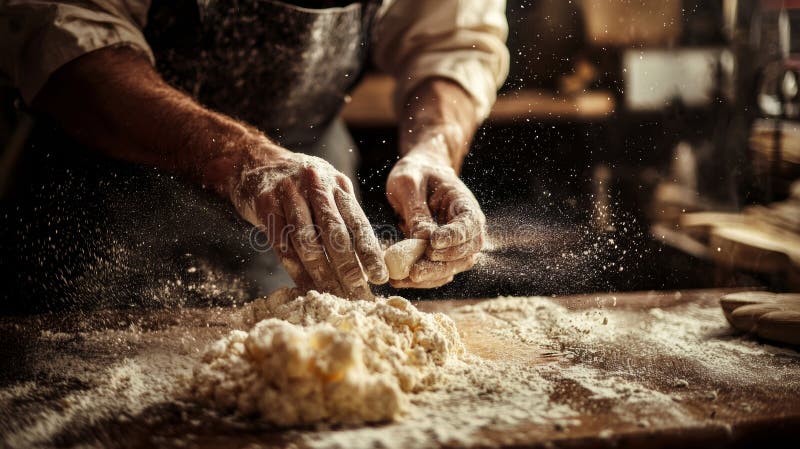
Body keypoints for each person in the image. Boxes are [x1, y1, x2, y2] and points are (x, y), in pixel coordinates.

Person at [0, 0, 509, 307]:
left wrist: (433, 150)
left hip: (307, 193)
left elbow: (454, 41)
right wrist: (242, 160)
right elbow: (61, 29)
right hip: (108, 188)